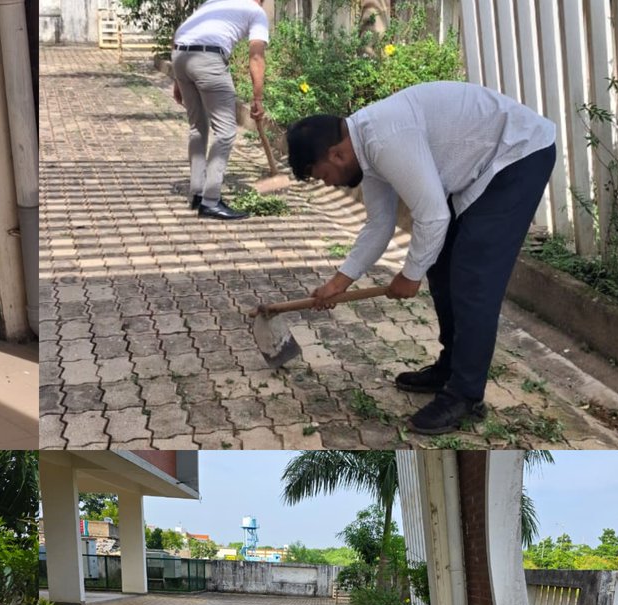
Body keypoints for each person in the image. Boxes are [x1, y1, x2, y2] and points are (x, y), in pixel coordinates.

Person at [286, 81, 557, 435]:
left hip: (518, 154)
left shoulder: (383, 139)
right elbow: (379, 224)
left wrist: (410, 275)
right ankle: (450, 367)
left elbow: (433, 217)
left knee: (473, 279)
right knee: (441, 265)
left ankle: (465, 395)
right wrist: (338, 282)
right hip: (486, 165)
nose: (330, 184)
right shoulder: (366, 150)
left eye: (323, 176)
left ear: (336, 155)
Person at [171, 0, 269, 220]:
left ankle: (197, 193)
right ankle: (211, 201)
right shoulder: (256, 12)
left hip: (180, 56)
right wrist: (258, 98)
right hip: (208, 60)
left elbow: (181, 31)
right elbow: (256, 55)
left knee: (197, 127)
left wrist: (179, 80)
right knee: (225, 132)